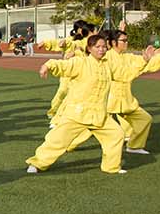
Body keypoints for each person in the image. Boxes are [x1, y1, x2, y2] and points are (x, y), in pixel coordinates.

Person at [26, 33, 132, 176]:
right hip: (77, 113)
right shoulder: (81, 63)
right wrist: (47, 65)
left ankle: (111, 167)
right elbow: (63, 65)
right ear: (89, 48)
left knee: (116, 134)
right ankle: (37, 163)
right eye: (97, 47)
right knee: (57, 140)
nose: (101, 50)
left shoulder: (108, 65)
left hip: (99, 115)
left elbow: (124, 72)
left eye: (103, 47)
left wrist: (146, 61)